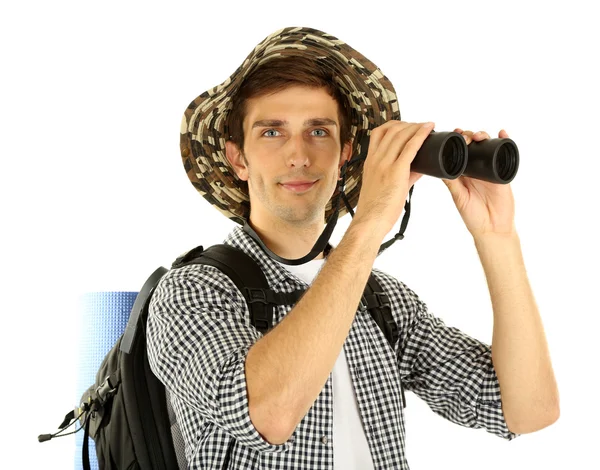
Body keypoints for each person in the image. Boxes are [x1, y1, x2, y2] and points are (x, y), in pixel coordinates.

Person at [147, 26, 559, 469]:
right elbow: (268, 415)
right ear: (237, 158)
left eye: (319, 131)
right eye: (272, 133)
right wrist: (370, 221)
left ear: (346, 153)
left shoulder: (383, 302)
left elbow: (528, 410)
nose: (299, 155)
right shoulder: (192, 291)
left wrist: (497, 237)